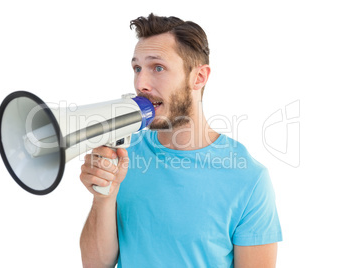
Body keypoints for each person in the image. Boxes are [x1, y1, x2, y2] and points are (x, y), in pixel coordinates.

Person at [79, 13, 282, 268]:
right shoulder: (124, 155)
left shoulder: (249, 179)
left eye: (158, 67)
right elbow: (96, 265)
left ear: (199, 78)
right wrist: (104, 197)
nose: (141, 83)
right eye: (137, 68)